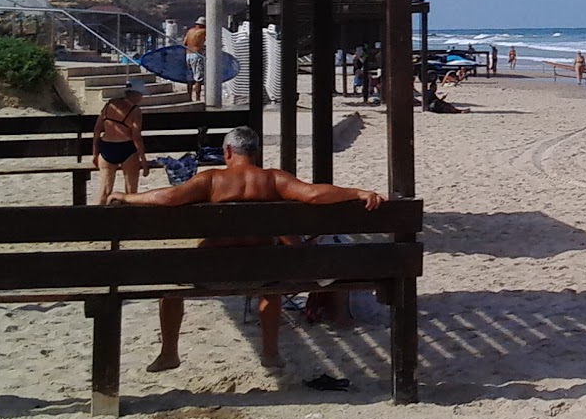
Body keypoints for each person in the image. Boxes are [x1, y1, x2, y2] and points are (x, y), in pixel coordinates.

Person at [107, 125, 385, 371]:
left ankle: (169, 353)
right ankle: (271, 353)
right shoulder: (273, 178)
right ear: (256, 153)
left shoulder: (212, 178)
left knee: (169, 289)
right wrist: (356, 192)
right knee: (271, 279)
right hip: (261, 271)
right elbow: (313, 194)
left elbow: (168, 198)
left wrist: (127, 196)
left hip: (210, 271)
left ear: (227, 151)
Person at [92, 79, 151, 204]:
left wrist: (95, 153)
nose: (142, 97)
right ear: (135, 94)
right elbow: (136, 137)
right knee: (131, 192)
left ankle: (96, 218)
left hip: (107, 147)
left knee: (104, 190)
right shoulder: (135, 110)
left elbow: (97, 130)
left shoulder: (110, 104)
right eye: (141, 94)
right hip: (127, 148)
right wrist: (143, 160)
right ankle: (129, 220)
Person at [183, 17, 208, 103]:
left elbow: (184, 43)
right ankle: (197, 98)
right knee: (198, 78)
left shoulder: (190, 31)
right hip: (197, 55)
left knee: (189, 78)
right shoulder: (204, 31)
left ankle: (189, 97)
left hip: (188, 55)